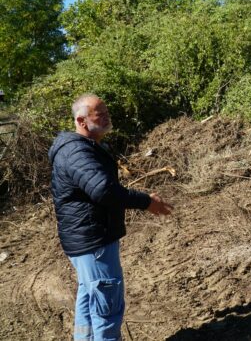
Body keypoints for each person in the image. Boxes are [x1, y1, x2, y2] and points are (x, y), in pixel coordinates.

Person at [48, 94, 174, 340]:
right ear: (82, 121)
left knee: (89, 297)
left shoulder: (83, 147)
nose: (107, 118)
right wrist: (146, 202)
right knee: (107, 307)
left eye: (107, 112)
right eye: (100, 114)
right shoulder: (77, 152)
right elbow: (103, 190)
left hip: (86, 239)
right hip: (93, 241)